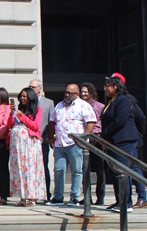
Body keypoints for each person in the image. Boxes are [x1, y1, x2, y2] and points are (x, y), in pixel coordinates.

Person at [48, 84, 96, 206]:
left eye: (70, 93)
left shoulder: (83, 105)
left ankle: (74, 197)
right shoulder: (59, 105)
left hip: (75, 143)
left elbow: (91, 121)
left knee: (76, 170)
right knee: (59, 170)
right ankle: (58, 197)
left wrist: (84, 138)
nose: (67, 95)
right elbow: (53, 121)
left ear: (77, 94)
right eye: (66, 92)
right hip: (60, 143)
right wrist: (51, 137)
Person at [101, 76, 139, 213]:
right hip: (113, 141)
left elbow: (119, 121)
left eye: (108, 86)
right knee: (115, 172)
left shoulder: (123, 99)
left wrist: (103, 135)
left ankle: (126, 203)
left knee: (122, 172)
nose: (105, 88)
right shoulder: (111, 101)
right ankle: (119, 201)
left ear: (116, 86)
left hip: (123, 140)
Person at [7, 87, 46, 207]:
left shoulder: (38, 110)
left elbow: (35, 126)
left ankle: (31, 198)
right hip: (17, 147)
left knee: (30, 170)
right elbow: (9, 124)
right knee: (18, 169)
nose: (22, 98)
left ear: (31, 97)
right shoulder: (18, 109)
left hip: (30, 145)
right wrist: (11, 113)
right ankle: (22, 197)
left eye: (25, 96)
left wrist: (21, 115)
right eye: (21, 96)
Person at [79, 83, 106, 205]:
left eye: (86, 92)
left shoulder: (100, 106)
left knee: (100, 169)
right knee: (85, 169)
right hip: (84, 139)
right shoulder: (78, 106)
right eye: (82, 91)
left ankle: (100, 197)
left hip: (97, 139)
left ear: (91, 92)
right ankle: (87, 197)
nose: (84, 94)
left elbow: (105, 123)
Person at [29, 79, 54, 205]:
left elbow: (51, 122)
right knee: (31, 169)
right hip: (29, 142)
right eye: (29, 87)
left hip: (42, 141)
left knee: (43, 168)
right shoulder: (26, 102)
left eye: (33, 87)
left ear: (39, 88)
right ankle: (32, 194)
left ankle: (46, 194)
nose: (31, 89)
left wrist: (50, 137)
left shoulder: (48, 103)